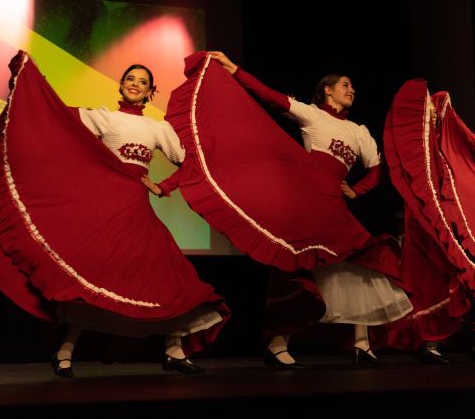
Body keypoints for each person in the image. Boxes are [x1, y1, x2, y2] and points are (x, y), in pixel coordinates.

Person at [144, 50, 412, 368]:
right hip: (304, 198)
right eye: (344, 84)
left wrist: (357, 190)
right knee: (297, 266)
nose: (351, 89)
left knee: (359, 262)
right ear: (327, 90)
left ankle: (362, 344)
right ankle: (278, 343)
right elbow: (270, 97)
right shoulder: (313, 114)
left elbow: (378, 169)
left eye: (352, 86)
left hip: (333, 204)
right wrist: (233, 70)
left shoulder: (359, 132)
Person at [0, 51, 230, 378]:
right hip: (104, 208)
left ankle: (174, 350)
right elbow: (54, 116)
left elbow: (191, 163)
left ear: (151, 92)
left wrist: (163, 187)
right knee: (93, 275)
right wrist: (26, 94)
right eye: (130, 80)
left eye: (142, 82)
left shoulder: (158, 128)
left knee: (169, 272)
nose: (135, 85)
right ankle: (65, 353)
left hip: (136, 208)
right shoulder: (106, 118)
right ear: (121, 86)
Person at [382, 79, 475, 364]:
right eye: (428, 109)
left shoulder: (442, 146)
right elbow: (423, 186)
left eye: (434, 110)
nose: (433, 113)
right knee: (431, 276)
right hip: (425, 218)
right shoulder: (422, 154)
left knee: (457, 274)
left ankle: (461, 339)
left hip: (447, 216)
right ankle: (429, 344)